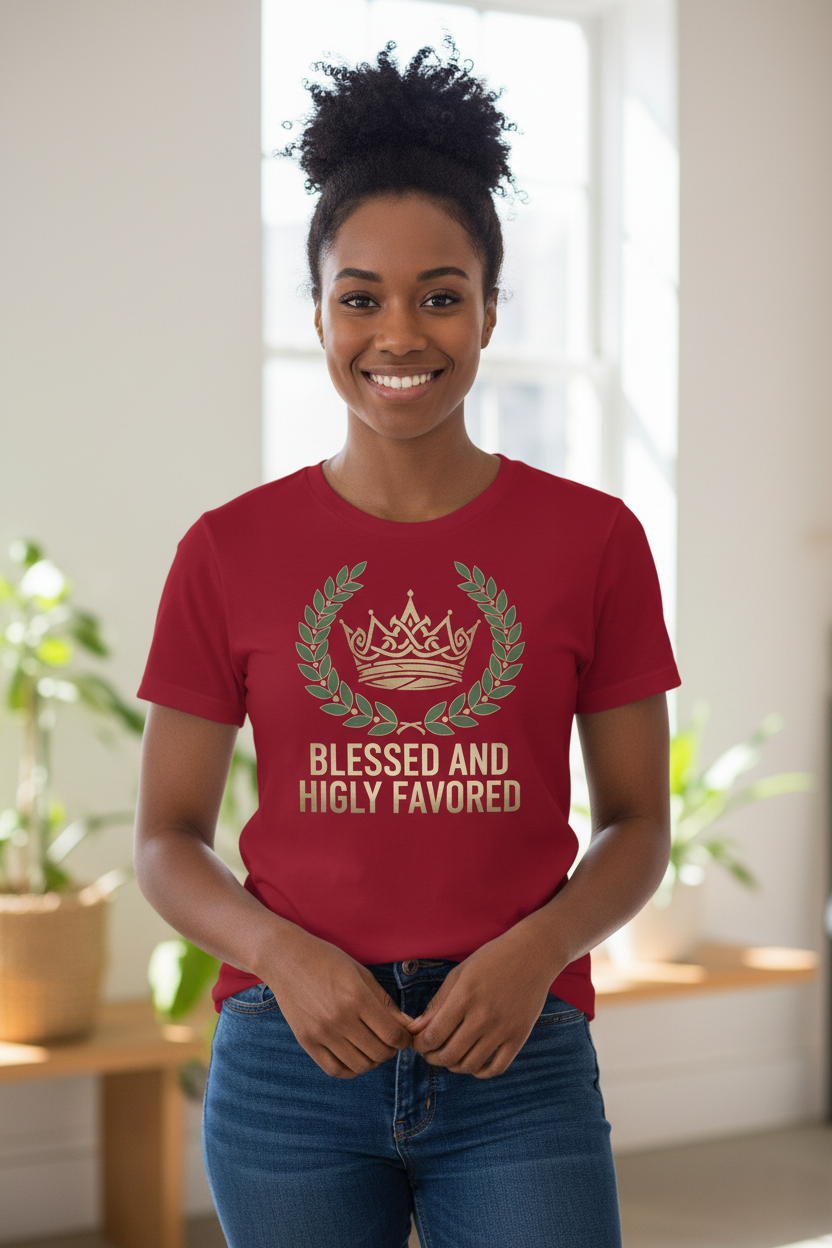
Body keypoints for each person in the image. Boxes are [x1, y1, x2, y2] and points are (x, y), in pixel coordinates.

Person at [134, 43, 679, 1248]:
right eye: (359, 295)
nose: (399, 332)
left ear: (491, 306)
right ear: (319, 309)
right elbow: (166, 844)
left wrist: (535, 952)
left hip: (517, 1050)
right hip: (293, 1056)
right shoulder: (227, 550)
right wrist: (285, 958)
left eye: (440, 293)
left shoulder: (594, 540)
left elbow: (640, 825)